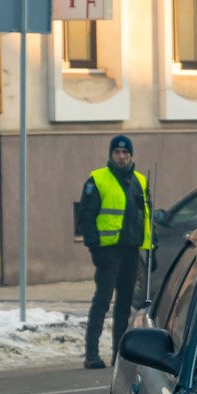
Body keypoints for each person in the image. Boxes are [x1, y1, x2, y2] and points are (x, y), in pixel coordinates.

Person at [77, 135, 152, 369]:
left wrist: (151, 248)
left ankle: (119, 353)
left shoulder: (140, 180)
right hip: (108, 252)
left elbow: (146, 218)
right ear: (110, 154)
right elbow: (86, 218)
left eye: (125, 153)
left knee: (124, 303)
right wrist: (94, 248)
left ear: (131, 155)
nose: (121, 156)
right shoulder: (98, 179)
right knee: (102, 301)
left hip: (131, 250)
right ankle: (91, 354)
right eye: (117, 152)